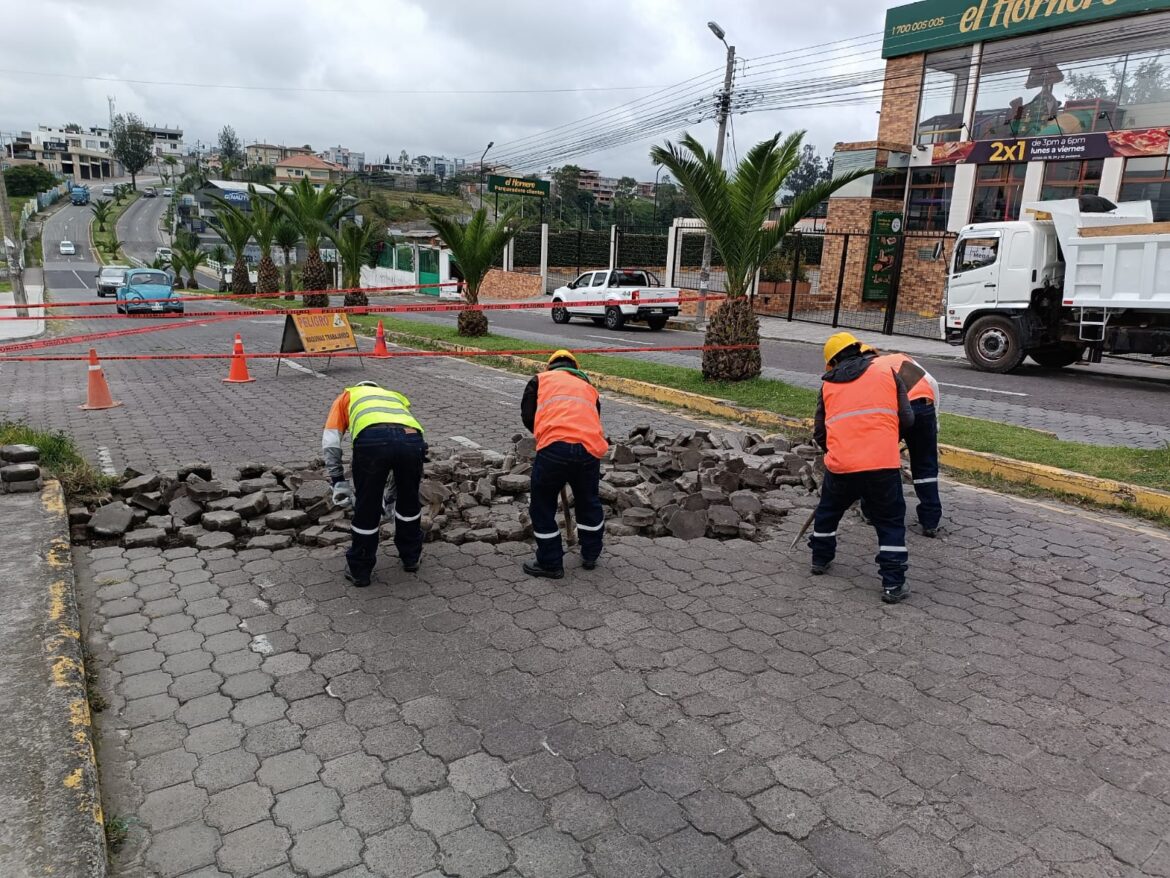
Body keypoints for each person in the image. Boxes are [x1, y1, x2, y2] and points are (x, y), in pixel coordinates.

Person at [810, 332, 915, 604]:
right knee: (890, 521)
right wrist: (887, 439)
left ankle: (820, 559)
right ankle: (893, 584)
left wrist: (835, 451)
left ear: (832, 362)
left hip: (842, 465)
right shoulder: (886, 373)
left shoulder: (828, 385)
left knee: (828, 511)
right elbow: (907, 417)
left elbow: (820, 431)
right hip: (882, 464)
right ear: (858, 350)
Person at [322, 380, 426, 587]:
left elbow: (331, 441)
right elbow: (399, 439)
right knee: (409, 501)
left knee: (367, 506)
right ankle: (411, 557)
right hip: (413, 439)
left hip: (372, 440)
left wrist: (338, 481)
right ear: (378, 388)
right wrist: (395, 492)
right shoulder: (395, 395)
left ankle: (360, 570)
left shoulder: (347, 396)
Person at [520, 350, 608, 578]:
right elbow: (594, 418)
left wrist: (546, 435)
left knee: (542, 504)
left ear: (550, 367)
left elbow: (528, 416)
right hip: (589, 449)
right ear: (574, 368)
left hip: (554, 449)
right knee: (589, 501)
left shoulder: (540, 380)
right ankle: (590, 554)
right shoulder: (588, 388)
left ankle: (550, 562)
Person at [870, 349, 942, 536]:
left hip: (899, 410)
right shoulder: (901, 358)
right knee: (926, 465)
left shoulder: (869, 370)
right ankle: (930, 520)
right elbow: (933, 383)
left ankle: (873, 511)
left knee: (879, 460)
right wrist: (935, 421)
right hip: (926, 406)